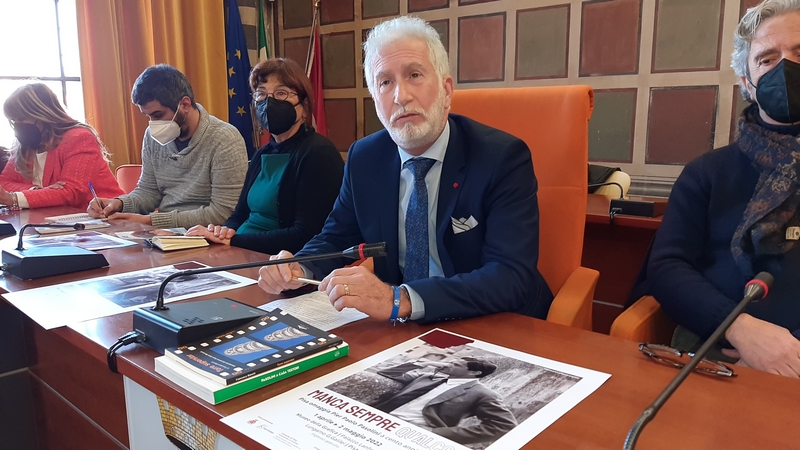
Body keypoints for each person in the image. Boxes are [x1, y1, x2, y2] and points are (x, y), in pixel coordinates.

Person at [257, 16, 553, 323]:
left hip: (497, 323)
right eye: (385, 82)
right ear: (375, 100)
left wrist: (401, 299)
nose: (401, 96)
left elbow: (510, 276)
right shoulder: (365, 158)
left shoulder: (502, 157)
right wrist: (299, 267)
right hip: (405, 327)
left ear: (446, 90)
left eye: (414, 75)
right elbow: (336, 236)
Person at [646, 0, 800, 378]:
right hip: (715, 350)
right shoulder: (707, 173)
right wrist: (740, 329)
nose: (786, 68)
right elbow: (666, 267)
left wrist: (786, 354)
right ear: (747, 83)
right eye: (767, 59)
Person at [186, 58, 343, 254]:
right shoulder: (263, 153)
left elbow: (305, 235)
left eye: (281, 93)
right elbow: (239, 215)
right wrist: (221, 233)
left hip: (279, 260)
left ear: (304, 106)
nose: (269, 102)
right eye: (261, 94)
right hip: (239, 250)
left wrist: (234, 241)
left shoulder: (319, 153)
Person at [87, 64, 247, 228]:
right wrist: (119, 203)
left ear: (185, 105)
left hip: (205, 234)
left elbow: (222, 213)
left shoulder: (225, 139)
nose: (153, 123)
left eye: (158, 115)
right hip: (162, 232)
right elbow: (149, 192)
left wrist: (152, 221)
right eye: (148, 116)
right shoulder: (151, 136)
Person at [0, 83, 123, 209]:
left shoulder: (79, 138)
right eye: (13, 120)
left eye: (21, 119)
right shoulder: (23, 146)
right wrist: (36, 190)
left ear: (42, 114)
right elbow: (4, 182)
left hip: (101, 215)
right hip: (51, 217)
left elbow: (72, 192)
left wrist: (13, 198)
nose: (17, 125)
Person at [374, 358, 517, 445]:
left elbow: (504, 426)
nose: (447, 365)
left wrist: (436, 433)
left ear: (474, 373)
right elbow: (385, 374)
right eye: (450, 362)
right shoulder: (428, 376)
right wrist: (421, 363)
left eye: (456, 365)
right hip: (381, 420)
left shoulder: (484, 394)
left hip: (412, 433)